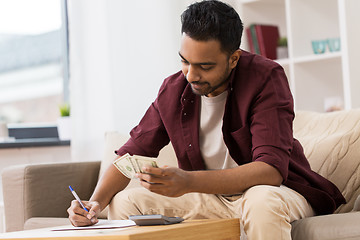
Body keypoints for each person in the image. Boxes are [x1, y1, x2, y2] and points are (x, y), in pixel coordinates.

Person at [68, 1, 345, 239]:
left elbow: (269, 171)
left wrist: (188, 182)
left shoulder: (266, 78)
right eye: (185, 61)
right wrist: (93, 204)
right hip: (213, 200)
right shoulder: (173, 89)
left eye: (205, 66)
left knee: (262, 202)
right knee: (127, 201)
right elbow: (130, 155)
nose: (190, 75)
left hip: (275, 192)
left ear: (234, 58)